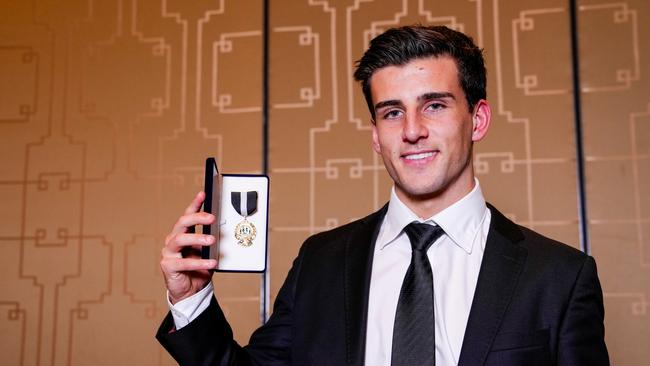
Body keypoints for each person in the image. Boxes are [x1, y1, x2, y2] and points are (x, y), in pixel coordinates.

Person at [157, 25, 609, 366]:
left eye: (434, 105)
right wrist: (191, 299)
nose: (412, 131)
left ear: (477, 119)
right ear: (375, 134)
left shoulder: (561, 278)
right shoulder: (320, 261)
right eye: (392, 112)